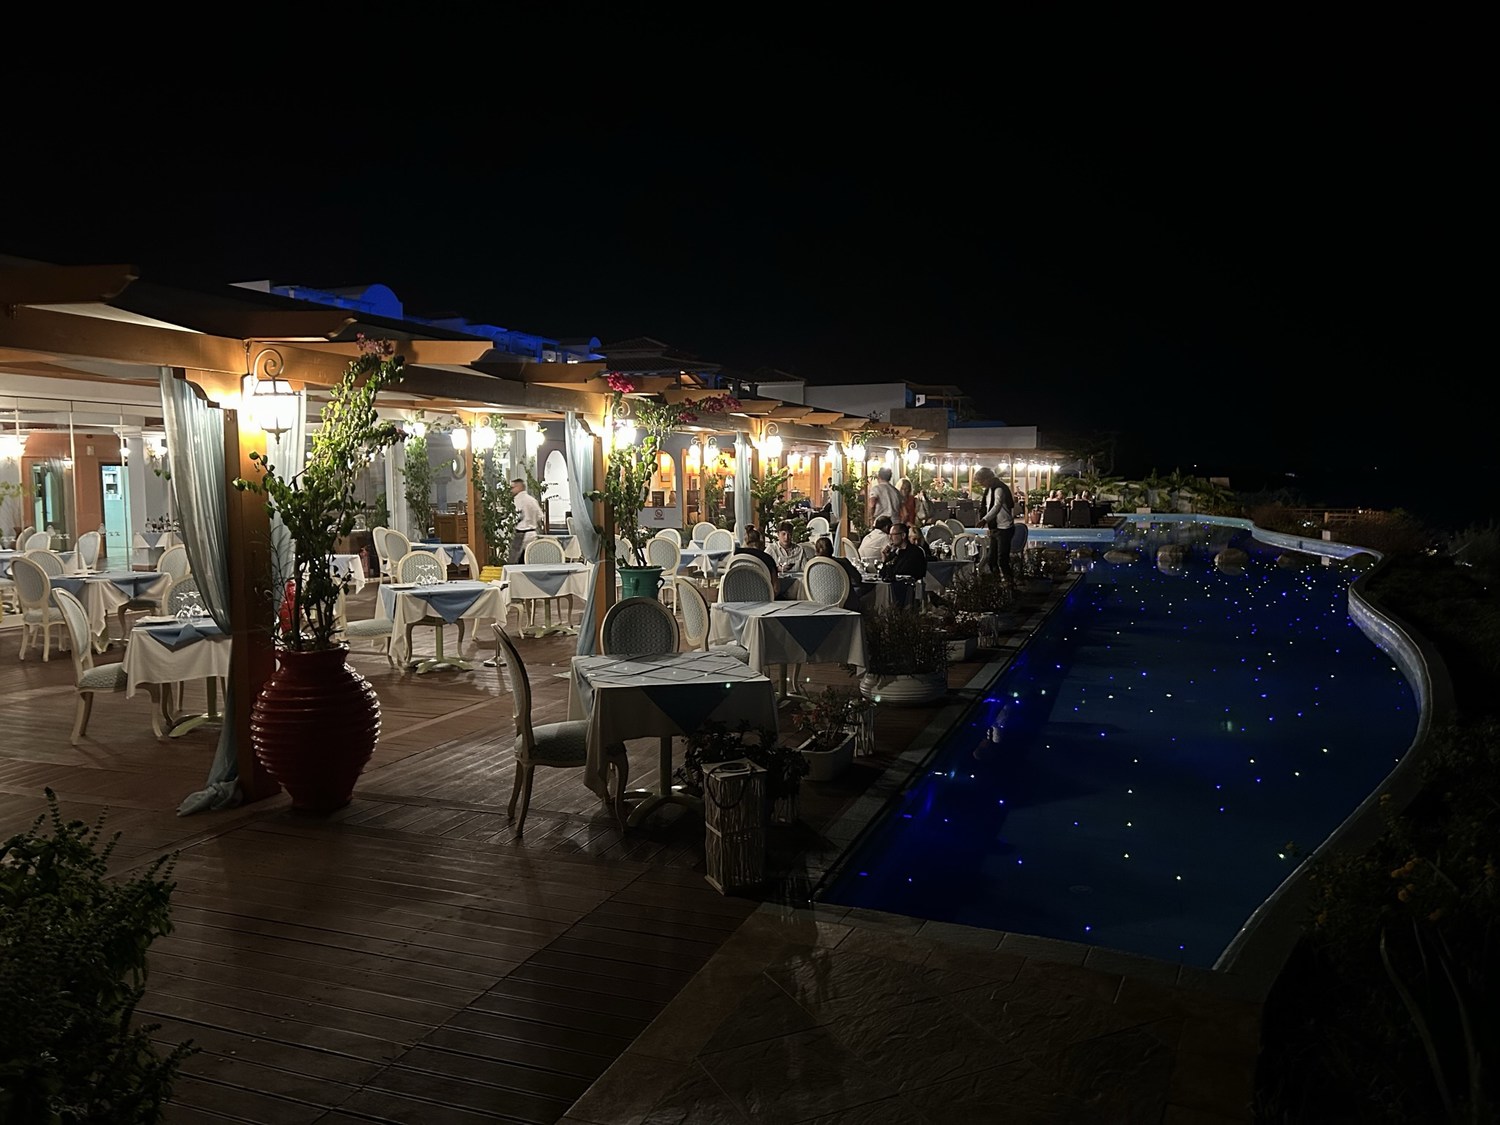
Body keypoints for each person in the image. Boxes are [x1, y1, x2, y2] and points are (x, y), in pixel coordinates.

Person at [974, 467, 1015, 589]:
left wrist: (985, 520)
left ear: (988, 478)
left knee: (1002, 558)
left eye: (981, 481)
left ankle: (1009, 583)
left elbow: (996, 506)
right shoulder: (989, 491)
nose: (981, 484)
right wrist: (989, 524)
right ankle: (997, 582)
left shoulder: (999, 489)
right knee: (992, 559)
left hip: (1004, 527)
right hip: (995, 527)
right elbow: (987, 507)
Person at [879, 521, 929, 608]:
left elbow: (903, 572)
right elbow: (883, 574)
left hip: (907, 589)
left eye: (893, 535)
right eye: (889, 535)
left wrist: (890, 567)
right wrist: (885, 558)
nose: (890, 538)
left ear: (903, 535)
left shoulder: (914, 552)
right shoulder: (894, 552)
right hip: (893, 587)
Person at [815, 535, 868, 609]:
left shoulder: (812, 566)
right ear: (832, 549)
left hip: (819, 603)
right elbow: (857, 579)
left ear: (816, 551)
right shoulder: (843, 562)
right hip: (845, 603)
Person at [509, 478, 545, 565]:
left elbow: (515, 516)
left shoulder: (517, 500)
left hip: (521, 534)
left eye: (513, 487)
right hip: (532, 533)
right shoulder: (532, 500)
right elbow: (540, 516)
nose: (511, 490)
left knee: (515, 562)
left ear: (519, 487)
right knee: (529, 560)